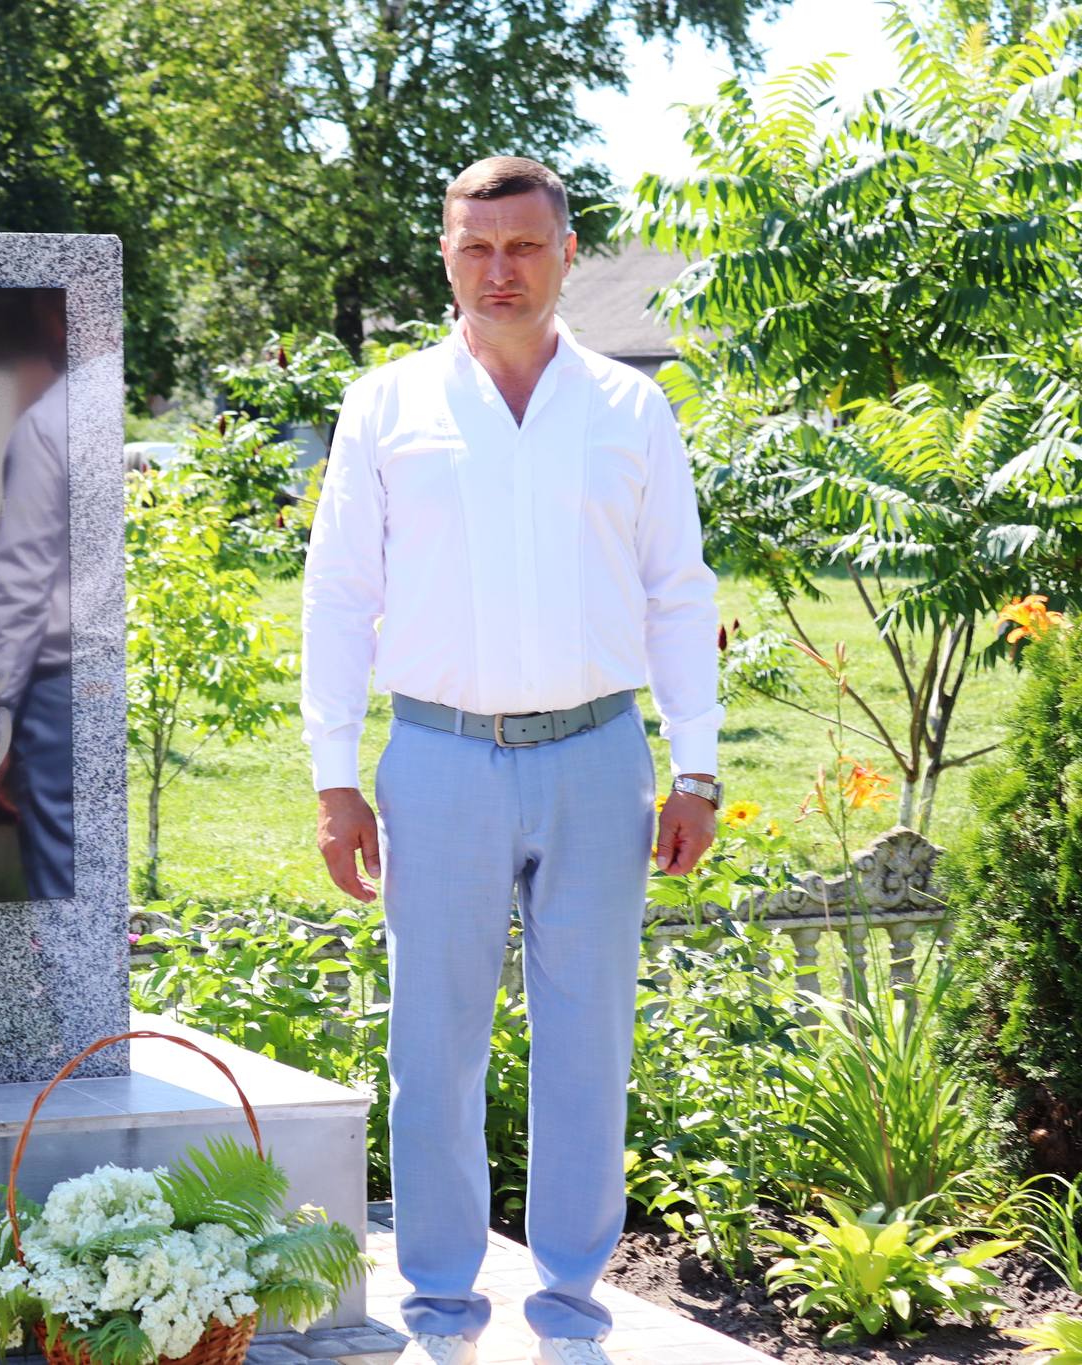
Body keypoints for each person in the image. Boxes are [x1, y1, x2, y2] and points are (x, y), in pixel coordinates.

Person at [300, 156, 724, 1365]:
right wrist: (334, 778)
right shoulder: (386, 405)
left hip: (598, 758)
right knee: (431, 1045)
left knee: (587, 1041)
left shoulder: (628, 409)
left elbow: (676, 592)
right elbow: (336, 596)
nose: (501, 270)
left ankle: (571, 1310)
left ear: (565, 254)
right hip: (436, 759)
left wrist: (694, 769)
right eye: (477, 247)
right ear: (445, 254)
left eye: (524, 246)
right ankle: (441, 1308)